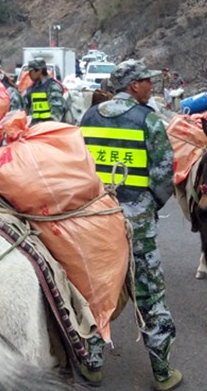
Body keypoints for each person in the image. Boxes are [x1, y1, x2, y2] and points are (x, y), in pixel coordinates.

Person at [79, 60, 182, 391]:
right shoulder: (147, 120)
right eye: (147, 81)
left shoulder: (89, 117)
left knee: (94, 288)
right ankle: (162, 372)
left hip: (95, 219)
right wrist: (146, 206)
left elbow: (79, 167)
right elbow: (164, 173)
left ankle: (92, 364)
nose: (151, 86)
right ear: (133, 85)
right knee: (149, 292)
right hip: (136, 223)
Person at [23, 57, 64, 123]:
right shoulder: (32, 88)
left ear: (39, 71)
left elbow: (56, 114)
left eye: (31, 71)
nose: (29, 74)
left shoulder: (53, 87)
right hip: (34, 127)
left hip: (47, 127)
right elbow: (26, 110)